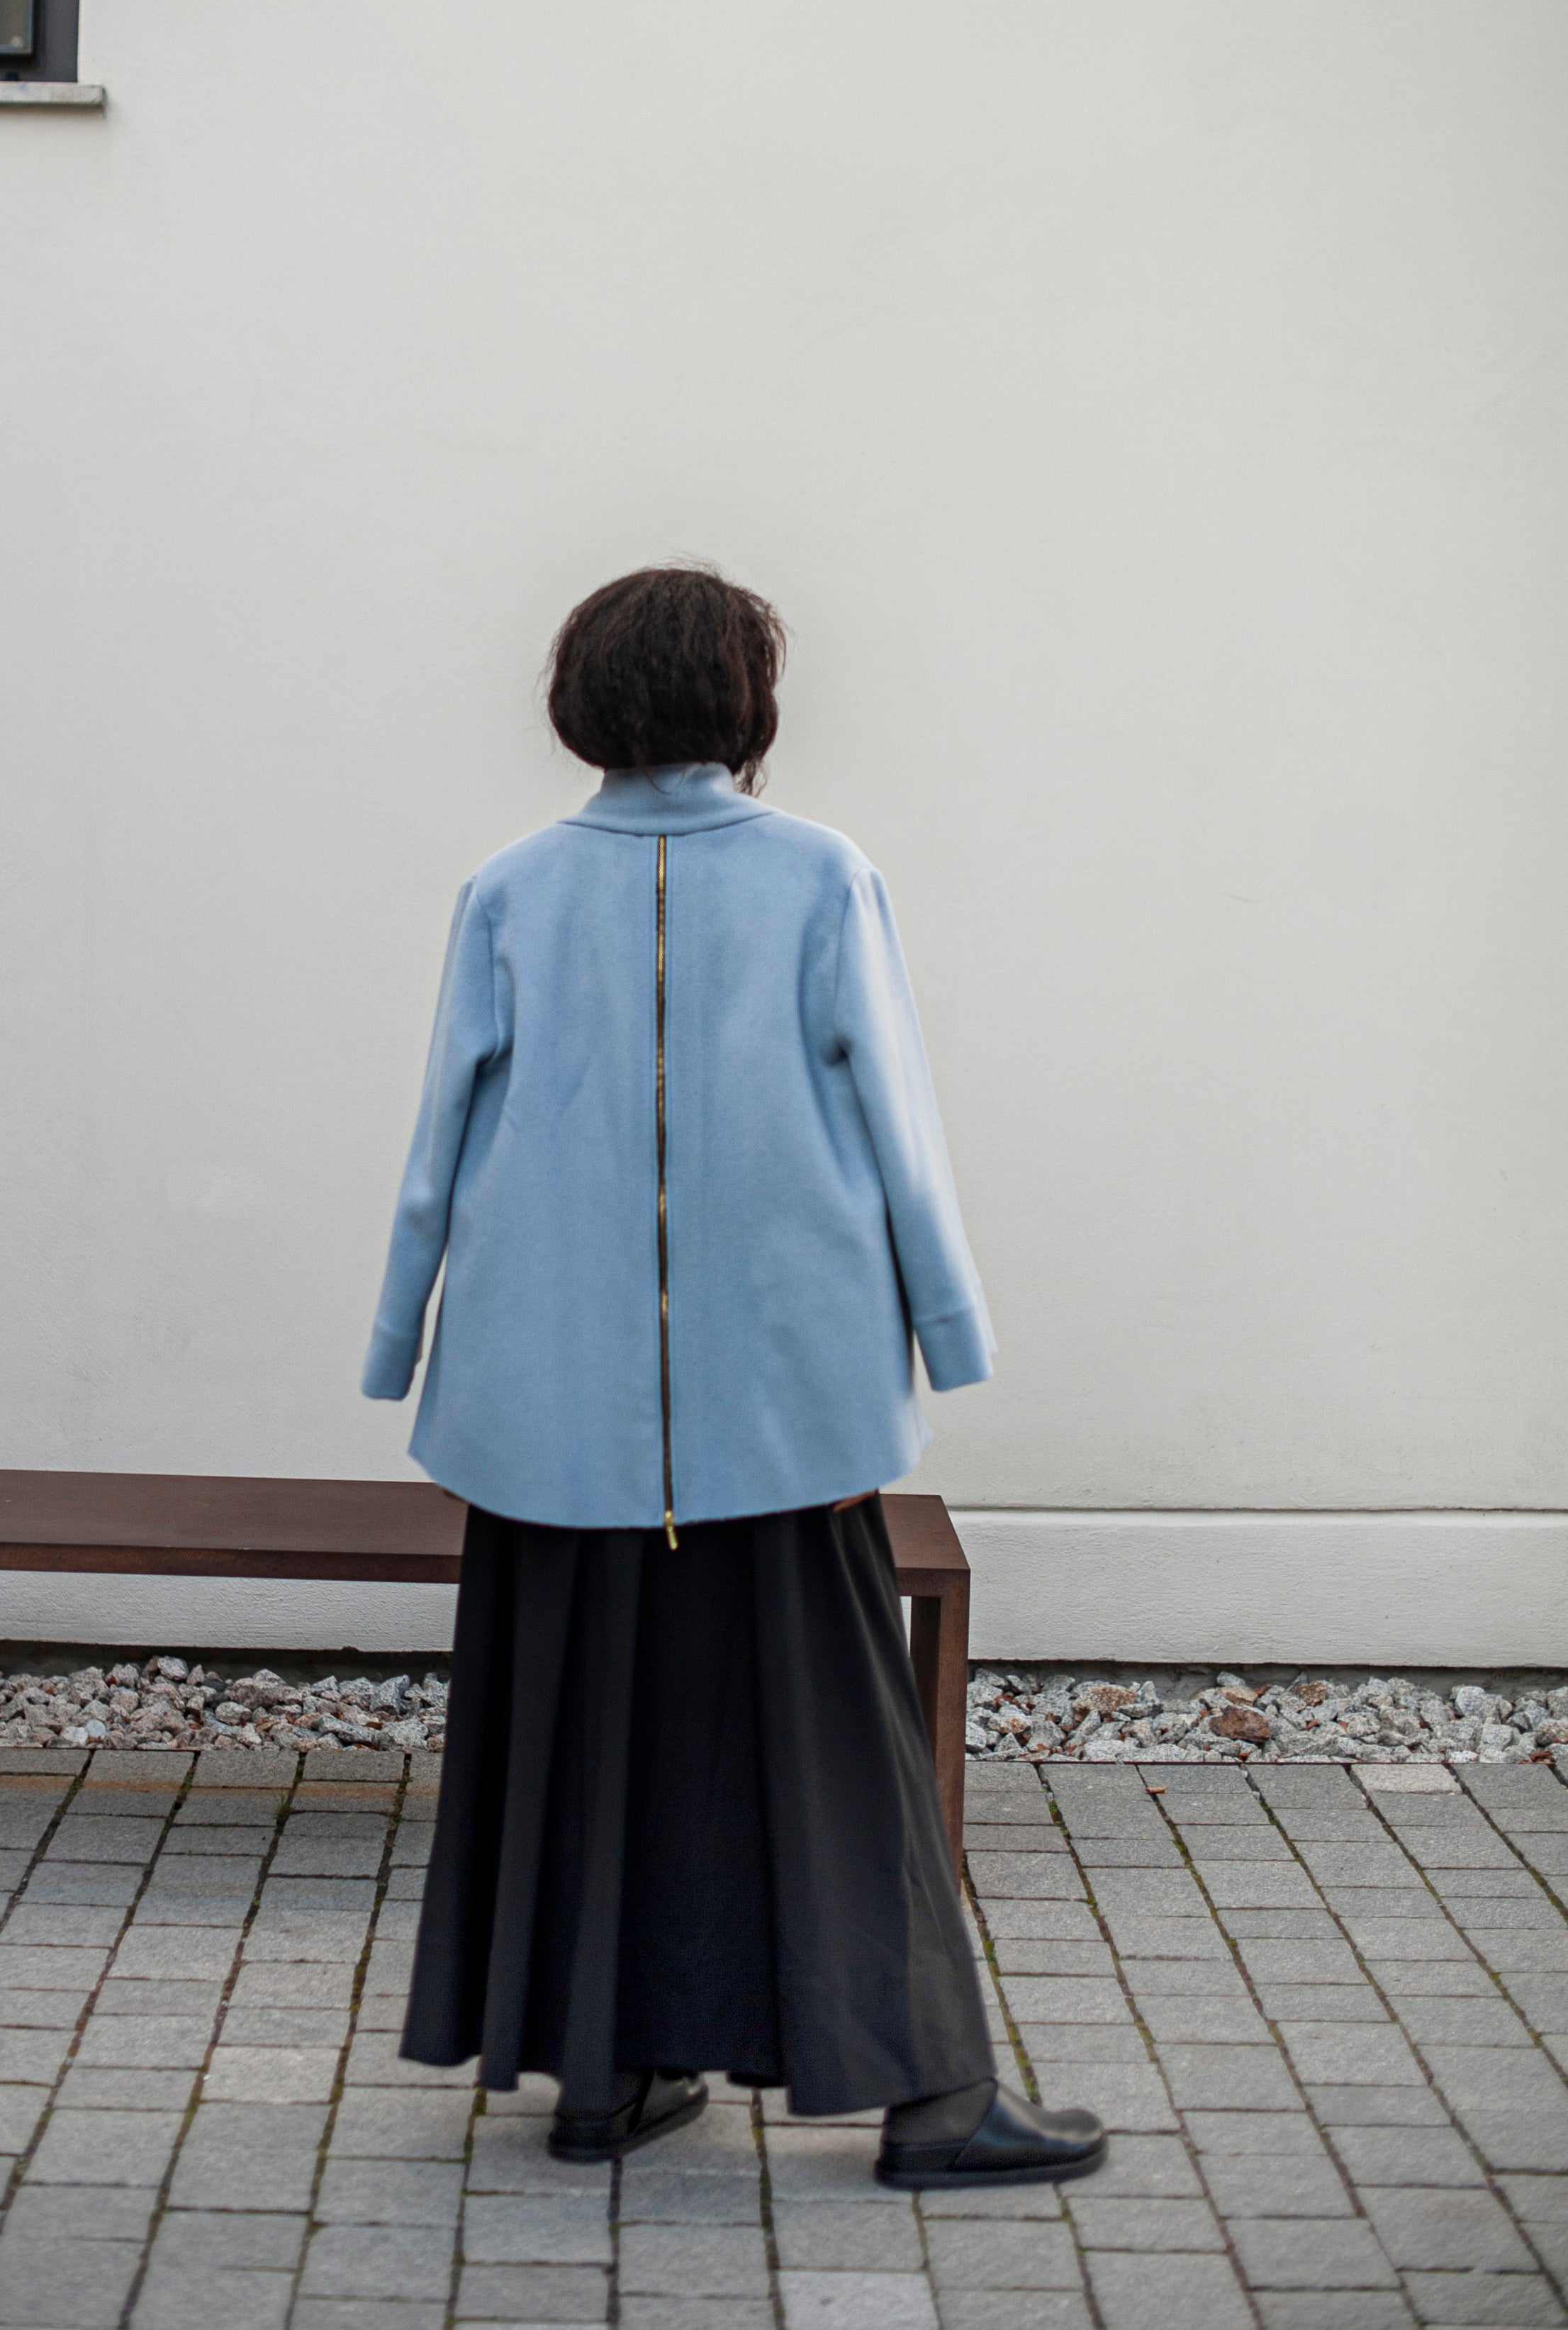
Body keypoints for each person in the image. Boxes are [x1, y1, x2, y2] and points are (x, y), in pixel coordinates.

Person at [362, 564, 1104, 2190]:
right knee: (833, 1738)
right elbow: (895, 1133)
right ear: (743, 703)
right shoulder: (821, 876)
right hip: (784, 1395)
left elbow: (442, 1145)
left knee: (578, 1721)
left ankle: (598, 2077)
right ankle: (928, 2098)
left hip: (543, 1400)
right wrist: (946, 1334)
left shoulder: (510, 887)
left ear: (583, 699)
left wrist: (404, 1337)